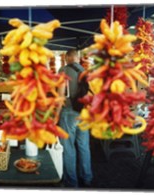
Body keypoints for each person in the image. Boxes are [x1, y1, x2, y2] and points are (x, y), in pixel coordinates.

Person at [57, 49, 93, 188]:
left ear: (67, 57)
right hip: (84, 113)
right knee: (84, 146)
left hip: (69, 113)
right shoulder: (85, 71)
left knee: (68, 148)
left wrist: (57, 114)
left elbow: (61, 95)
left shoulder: (63, 70)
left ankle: (71, 183)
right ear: (77, 58)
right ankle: (87, 178)